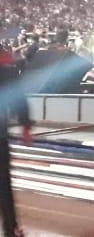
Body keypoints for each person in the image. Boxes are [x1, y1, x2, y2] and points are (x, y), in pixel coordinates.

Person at [0, 44, 30, 237]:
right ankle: (11, 228)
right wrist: (25, 123)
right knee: (3, 184)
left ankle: (12, 227)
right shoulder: (4, 61)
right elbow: (18, 96)